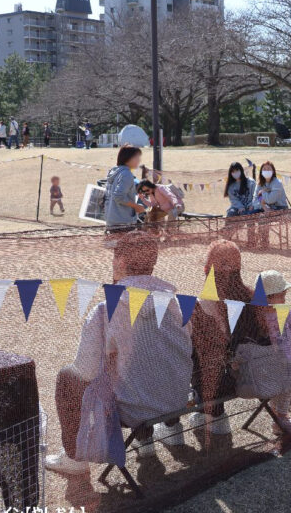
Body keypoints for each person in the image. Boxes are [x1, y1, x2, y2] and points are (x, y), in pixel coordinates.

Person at [46, 232, 193, 474]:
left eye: (115, 258)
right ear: (152, 263)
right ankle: (145, 438)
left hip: (134, 408)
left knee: (67, 377)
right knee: (142, 365)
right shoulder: (176, 303)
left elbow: (85, 370)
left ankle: (74, 458)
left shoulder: (106, 309)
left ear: (122, 262)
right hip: (175, 401)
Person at [190, 240, 266, 435]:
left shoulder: (200, 307)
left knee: (197, 356)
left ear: (207, 269)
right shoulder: (252, 297)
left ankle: (211, 413)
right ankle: (210, 414)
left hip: (222, 384)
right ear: (238, 269)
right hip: (256, 375)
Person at [246, 270, 291, 434]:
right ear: (268, 298)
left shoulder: (286, 311)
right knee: (282, 389)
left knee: (286, 388)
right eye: (281, 295)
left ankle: (279, 418)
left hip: (288, 360)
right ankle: (280, 419)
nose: (284, 299)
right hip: (268, 363)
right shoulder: (256, 316)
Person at [104, 146, 144, 230]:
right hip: (123, 222)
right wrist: (136, 206)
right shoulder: (126, 174)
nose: (139, 160)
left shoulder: (115, 171)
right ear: (128, 158)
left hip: (112, 220)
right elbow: (118, 196)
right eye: (137, 157)